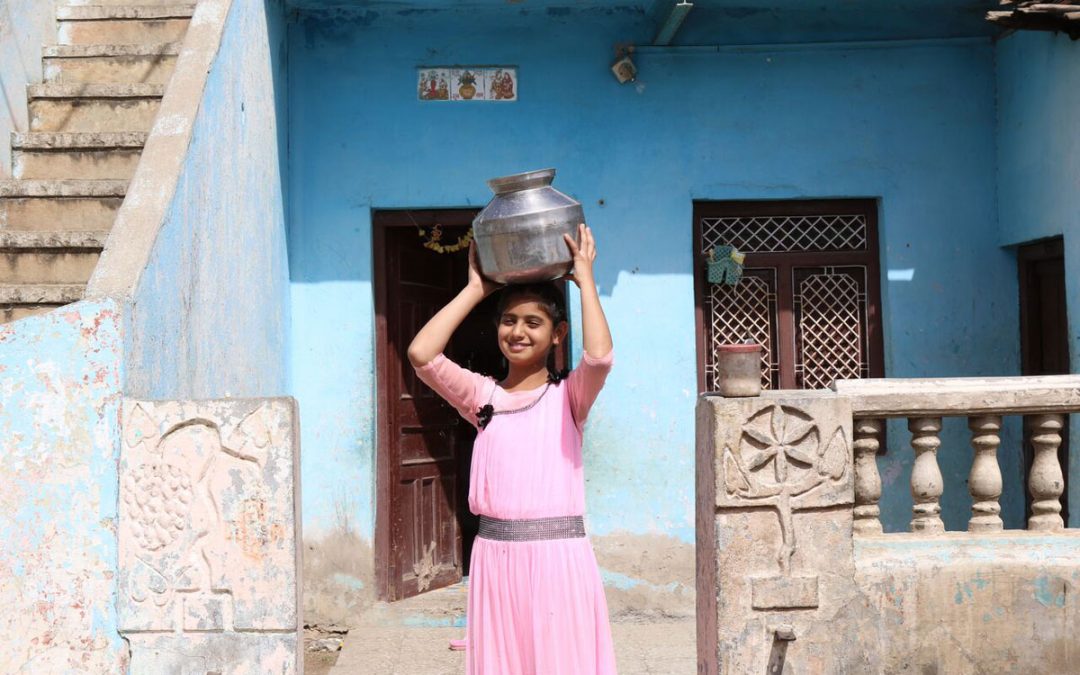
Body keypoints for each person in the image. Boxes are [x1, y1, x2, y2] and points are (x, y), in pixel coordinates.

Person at [407, 224, 617, 674]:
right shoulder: (482, 397)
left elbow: (599, 358)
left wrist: (585, 279)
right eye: (509, 321)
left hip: (558, 560)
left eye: (533, 323)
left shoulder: (569, 397)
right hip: (494, 560)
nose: (518, 332)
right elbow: (423, 355)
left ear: (558, 333)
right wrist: (474, 290)